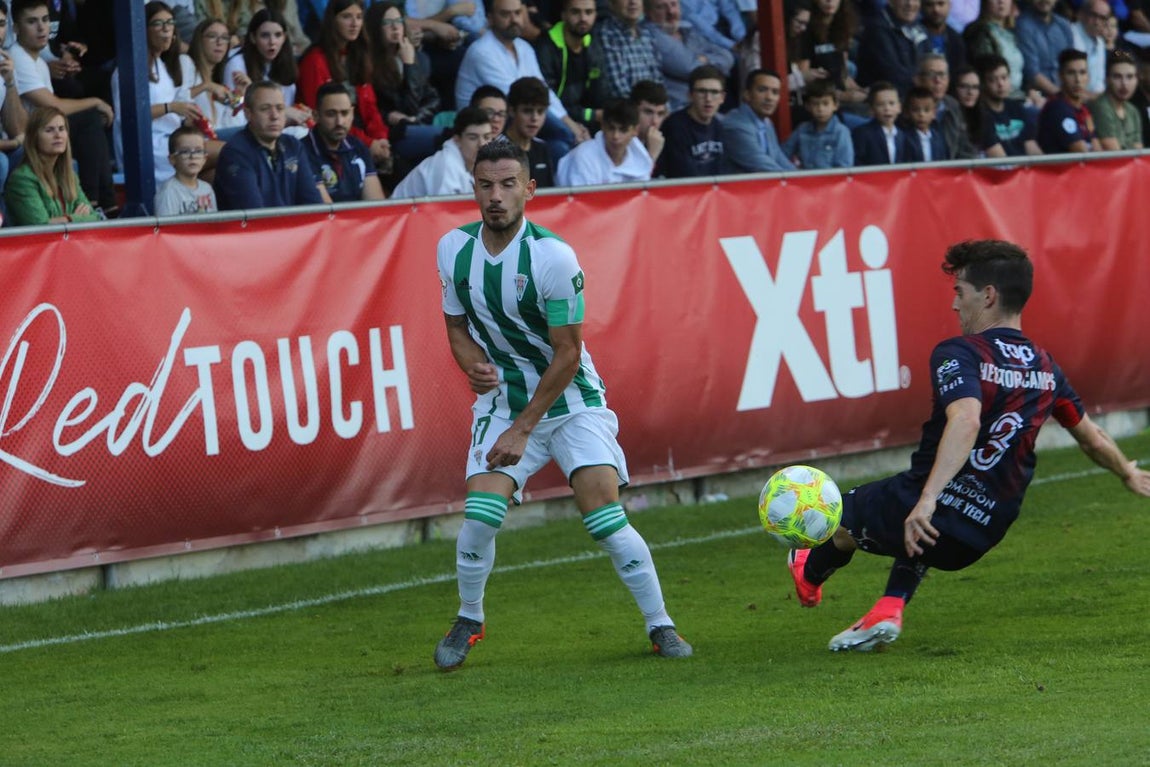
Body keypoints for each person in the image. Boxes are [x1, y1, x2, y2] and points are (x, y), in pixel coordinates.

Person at [787, 239, 1150, 653]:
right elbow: (1092, 436)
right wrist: (1127, 472)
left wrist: (927, 499)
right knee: (926, 521)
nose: (954, 304)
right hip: (985, 529)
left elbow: (966, 418)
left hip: (922, 506)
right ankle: (889, 606)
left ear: (988, 295)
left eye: (960, 291)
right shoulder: (1046, 367)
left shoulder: (960, 353)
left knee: (838, 517)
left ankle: (807, 572)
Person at [432, 138, 692, 670]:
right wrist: (471, 364)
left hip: (571, 402)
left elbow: (568, 353)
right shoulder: (452, 249)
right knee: (480, 516)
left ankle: (660, 624)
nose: (496, 196)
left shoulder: (553, 257)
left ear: (529, 189)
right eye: (485, 185)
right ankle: (469, 619)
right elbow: (455, 327)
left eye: (508, 184)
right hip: (505, 403)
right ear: (473, 188)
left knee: (604, 516)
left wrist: (523, 429)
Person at [10, 0, 116, 214]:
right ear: (16, 28)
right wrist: (96, 102)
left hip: (43, 132)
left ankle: (103, 203)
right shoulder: (17, 57)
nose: (41, 28)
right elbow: (54, 106)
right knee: (88, 119)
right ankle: (95, 203)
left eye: (45, 20)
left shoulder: (39, 61)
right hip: (23, 138)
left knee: (88, 123)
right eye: (32, 22)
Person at [454, 0, 588, 158]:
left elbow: (542, 90)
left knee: (564, 142)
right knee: (564, 141)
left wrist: (570, 123)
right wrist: (570, 132)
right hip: (482, 131)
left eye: (517, 13)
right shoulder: (481, 51)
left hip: (516, 122)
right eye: (505, 14)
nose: (514, 20)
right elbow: (518, 97)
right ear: (490, 18)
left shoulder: (524, 48)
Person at [113, 2, 207, 186]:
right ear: (143, 30)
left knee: (213, 173)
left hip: (173, 141)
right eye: (158, 23)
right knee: (225, 152)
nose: (166, 29)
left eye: (170, 22)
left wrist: (188, 119)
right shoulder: (126, 71)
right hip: (149, 147)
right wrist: (171, 107)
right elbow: (128, 117)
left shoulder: (162, 66)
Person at [297, 0, 392, 167]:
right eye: (347, 16)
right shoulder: (315, 60)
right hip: (330, 138)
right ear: (333, 20)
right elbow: (321, 117)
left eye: (359, 17)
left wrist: (381, 138)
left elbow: (370, 107)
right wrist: (368, 143)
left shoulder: (358, 55)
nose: (354, 23)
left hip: (362, 136)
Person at [215, 80, 329, 209]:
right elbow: (254, 213)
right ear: (248, 114)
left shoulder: (294, 146)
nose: (274, 116)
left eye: (280, 108)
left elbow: (313, 205)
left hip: (291, 222)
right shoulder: (235, 153)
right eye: (265, 109)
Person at [366, 1, 443, 166]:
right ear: (375, 27)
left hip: (415, 125)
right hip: (391, 134)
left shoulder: (415, 57)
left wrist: (415, 119)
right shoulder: (369, 63)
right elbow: (408, 106)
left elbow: (433, 99)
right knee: (447, 139)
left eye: (398, 21)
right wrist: (409, 66)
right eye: (387, 22)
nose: (395, 27)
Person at [4, 105, 99, 225]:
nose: (58, 135)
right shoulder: (22, 179)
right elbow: (41, 226)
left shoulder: (70, 176)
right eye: (49, 130)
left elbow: (94, 217)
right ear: (34, 138)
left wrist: (62, 220)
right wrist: (72, 219)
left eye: (61, 129)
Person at [223, 9, 313, 133]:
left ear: (284, 37)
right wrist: (246, 94)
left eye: (278, 35)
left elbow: (282, 117)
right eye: (265, 35)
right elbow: (231, 107)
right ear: (253, 38)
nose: (272, 42)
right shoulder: (237, 64)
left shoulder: (286, 66)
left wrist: (300, 114)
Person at [644, 0, 735, 111]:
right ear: (648, 13)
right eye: (661, 7)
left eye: (673, 4)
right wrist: (709, 60)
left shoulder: (687, 30)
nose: (671, 12)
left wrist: (705, 60)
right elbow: (689, 68)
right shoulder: (652, 36)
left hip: (706, 105)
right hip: (679, 108)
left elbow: (727, 57)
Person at [303, 81, 387, 201]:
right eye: (331, 114)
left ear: (352, 113)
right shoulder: (302, 151)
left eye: (345, 113)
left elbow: (375, 205)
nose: (340, 122)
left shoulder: (358, 147)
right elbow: (325, 210)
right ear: (316, 116)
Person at [534, 0, 606, 134]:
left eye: (589, 12)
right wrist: (591, 115)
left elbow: (599, 93)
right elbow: (548, 100)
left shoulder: (593, 44)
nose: (583, 18)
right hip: (551, 120)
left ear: (595, 15)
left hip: (585, 119)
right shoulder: (546, 47)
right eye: (575, 12)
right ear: (563, 15)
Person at [390, 105, 492, 197]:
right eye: (473, 138)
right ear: (457, 139)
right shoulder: (446, 164)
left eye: (487, 137)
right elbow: (445, 210)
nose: (482, 144)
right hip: (399, 211)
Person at [555, 97, 653, 185]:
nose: (615, 136)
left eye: (623, 130)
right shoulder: (584, 156)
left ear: (635, 130)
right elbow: (581, 199)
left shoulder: (641, 155)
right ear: (602, 126)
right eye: (611, 128)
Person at [188, 17, 251, 143]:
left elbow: (231, 123)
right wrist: (206, 86)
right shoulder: (186, 63)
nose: (219, 42)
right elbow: (177, 99)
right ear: (199, 41)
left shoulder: (217, 84)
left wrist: (242, 95)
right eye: (212, 36)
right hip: (193, 143)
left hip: (215, 141)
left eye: (224, 38)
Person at [656, 63, 725, 177]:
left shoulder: (719, 126)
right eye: (702, 91)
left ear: (722, 97)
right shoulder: (675, 126)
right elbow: (684, 176)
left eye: (714, 92)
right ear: (690, 95)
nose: (708, 98)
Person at [721, 68, 795, 174]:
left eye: (775, 92)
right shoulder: (735, 125)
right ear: (747, 94)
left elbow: (779, 158)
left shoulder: (767, 122)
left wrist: (803, 178)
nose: (769, 97)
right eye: (762, 90)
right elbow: (763, 166)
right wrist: (798, 180)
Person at [963, 0, 1031, 102]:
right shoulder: (979, 32)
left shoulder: (1011, 33)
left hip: (1018, 94)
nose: (1001, 1)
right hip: (998, 99)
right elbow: (988, 71)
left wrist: (1029, 92)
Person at [857, 0, 928, 97]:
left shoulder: (920, 28)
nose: (910, 4)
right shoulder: (877, 30)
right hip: (885, 99)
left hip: (917, 96)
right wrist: (924, 82)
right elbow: (892, 74)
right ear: (891, 1)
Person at [912, 53, 977, 158]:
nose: (938, 80)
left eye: (942, 75)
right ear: (918, 80)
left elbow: (964, 148)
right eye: (931, 74)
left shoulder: (952, 105)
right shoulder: (906, 109)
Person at [596, 0, 663, 101]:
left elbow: (658, 81)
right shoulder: (607, 35)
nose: (633, 2)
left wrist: (662, 106)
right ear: (612, 4)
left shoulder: (647, 34)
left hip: (654, 106)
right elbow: (619, 90)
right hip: (627, 108)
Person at [1036, 49, 1101, 152]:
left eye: (1082, 73)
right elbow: (1080, 151)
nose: (1078, 80)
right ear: (1060, 76)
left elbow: (1097, 148)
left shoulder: (1084, 110)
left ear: (1088, 77)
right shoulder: (1057, 108)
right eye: (1071, 73)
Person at [977, 53, 1042, 156]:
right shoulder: (980, 115)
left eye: (1004, 77)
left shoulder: (1016, 108)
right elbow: (999, 159)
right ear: (983, 83)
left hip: (1024, 165)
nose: (1001, 84)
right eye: (993, 80)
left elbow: (1030, 146)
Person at [781, 79, 853, 167]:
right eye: (815, 104)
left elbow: (844, 166)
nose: (820, 109)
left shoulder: (841, 132)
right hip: (805, 175)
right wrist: (792, 170)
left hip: (831, 176)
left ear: (835, 105)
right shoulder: (802, 129)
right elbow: (783, 154)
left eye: (825, 104)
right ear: (808, 106)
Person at [1014, 0, 1075, 100]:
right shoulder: (1023, 25)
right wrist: (1063, 97)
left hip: (1066, 92)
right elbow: (1032, 73)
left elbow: (1072, 63)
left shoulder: (1063, 25)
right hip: (1038, 95)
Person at [0, 2, 30, 202]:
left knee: (36, 152)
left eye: (1, 24)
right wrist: (13, 142)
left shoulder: (5, 62)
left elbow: (17, 129)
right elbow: (16, 138)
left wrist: (10, 82)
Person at [502, 76, 556, 187]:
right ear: (511, 111)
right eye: (527, 111)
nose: (534, 118)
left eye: (540, 111)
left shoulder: (543, 148)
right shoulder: (495, 149)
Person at [154, 125, 219, 216]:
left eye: (198, 151)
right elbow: (166, 224)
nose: (192, 156)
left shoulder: (207, 189)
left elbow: (214, 222)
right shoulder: (168, 192)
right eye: (185, 152)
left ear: (204, 158)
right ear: (172, 159)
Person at [1089, 49, 1143, 150]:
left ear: (1137, 80)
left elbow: (1138, 150)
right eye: (1117, 77)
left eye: (1130, 77)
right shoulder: (1101, 107)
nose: (1124, 83)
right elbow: (1114, 152)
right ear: (1107, 79)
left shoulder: (1133, 111)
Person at [852, 81, 916, 164]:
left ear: (899, 107)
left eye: (891, 103)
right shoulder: (862, 133)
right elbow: (857, 161)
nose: (887, 108)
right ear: (871, 110)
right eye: (880, 104)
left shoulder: (903, 135)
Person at [1071, 0, 1110, 97]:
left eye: (1102, 18)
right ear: (1082, 14)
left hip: (1092, 98)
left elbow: (1099, 82)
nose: (1097, 22)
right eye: (1094, 15)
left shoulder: (1100, 43)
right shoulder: (1070, 34)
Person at [921, 0, 966, 78]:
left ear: (949, 6)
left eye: (941, 4)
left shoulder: (956, 39)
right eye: (929, 5)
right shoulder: (913, 36)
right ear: (922, 7)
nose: (936, 9)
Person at [903, 85, 950, 160]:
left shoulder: (938, 137)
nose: (921, 114)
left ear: (934, 113)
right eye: (915, 110)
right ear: (907, 112)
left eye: (926, 110)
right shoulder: (904, 138)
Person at [630, 79, 668, 166]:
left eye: (660, 114)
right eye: (648, 112)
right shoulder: (620, 141)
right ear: (633, 110)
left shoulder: (666, 138)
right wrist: (652, 155)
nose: (655, 121)